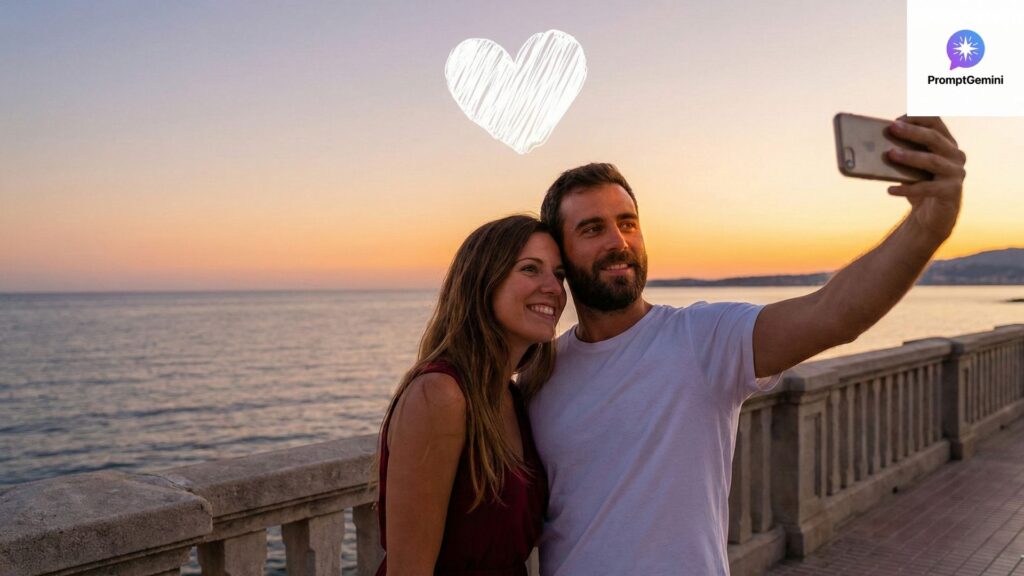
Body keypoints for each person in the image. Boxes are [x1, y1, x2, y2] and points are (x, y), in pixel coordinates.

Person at [529, 116, 966, 575]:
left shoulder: (703, 338)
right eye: (593, 229)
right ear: (559, 252)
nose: (619, 241)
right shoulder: (541, 373)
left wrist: (928, 226)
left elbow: (835, 313)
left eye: (628, 223)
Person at [375, 214, 567, 575]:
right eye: (530, 269)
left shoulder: (512, 397)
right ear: (483, 282)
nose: (555, 289)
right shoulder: (441, 395)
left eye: (559, 274)